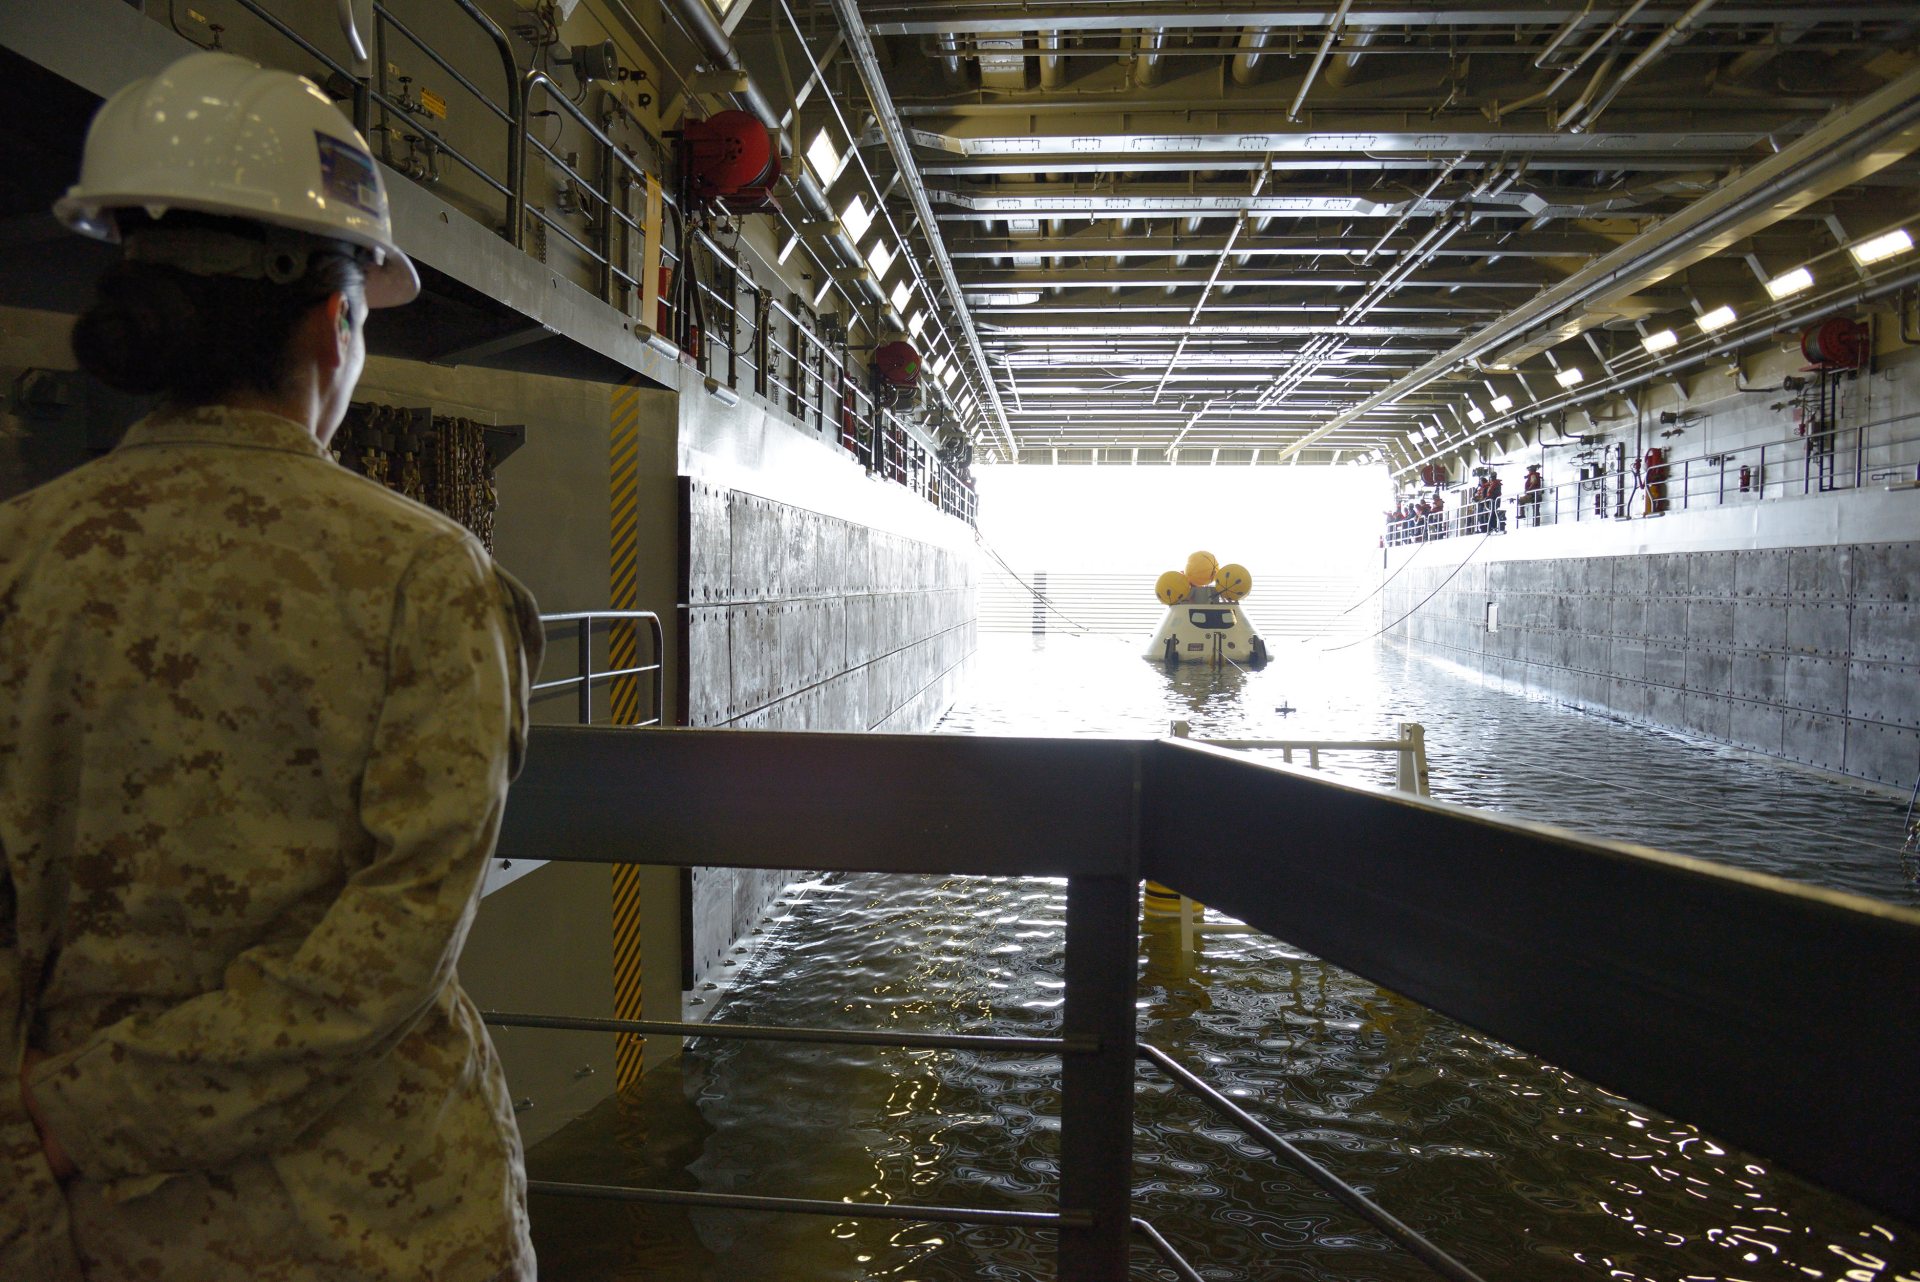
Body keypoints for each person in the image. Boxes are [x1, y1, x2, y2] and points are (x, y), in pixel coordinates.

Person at [1, 53, 541, 1281]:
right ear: (334, 319)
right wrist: (101, 1111)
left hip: (94, 1224)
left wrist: (49, 1143)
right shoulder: (425, 575)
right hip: (377, 1221)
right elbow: (393, 951)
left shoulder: (16, 561)